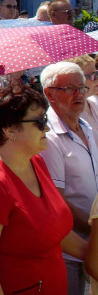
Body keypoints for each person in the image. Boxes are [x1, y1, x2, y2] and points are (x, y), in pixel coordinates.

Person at [0, 83, 95, 294]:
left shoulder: (35, 161)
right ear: (10, 129)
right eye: (39, 121)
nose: (46, 128)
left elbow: (52, 230)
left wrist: (91, 254)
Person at [38, 61, 98, 294]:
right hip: (69, 250)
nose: (79, 94)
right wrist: (94, 229)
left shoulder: (87, 127)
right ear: (49, 94)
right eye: (69, 88)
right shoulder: (49, 138)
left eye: (82, 87)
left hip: (93, 242)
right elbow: (57, 201)